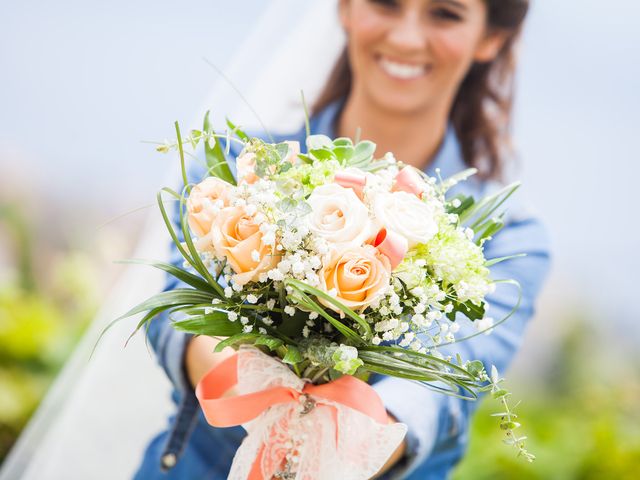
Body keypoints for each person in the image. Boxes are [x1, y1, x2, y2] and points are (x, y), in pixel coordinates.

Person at [135, 0, 550, 478]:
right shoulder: (236, 162)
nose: (407, 38)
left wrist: (330, 450)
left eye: (445, 14)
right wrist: (272, 408)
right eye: (386, 4)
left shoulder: (506, 233)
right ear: (347, 8)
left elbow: (439, 392)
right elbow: (180, 312)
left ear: (490, 38)